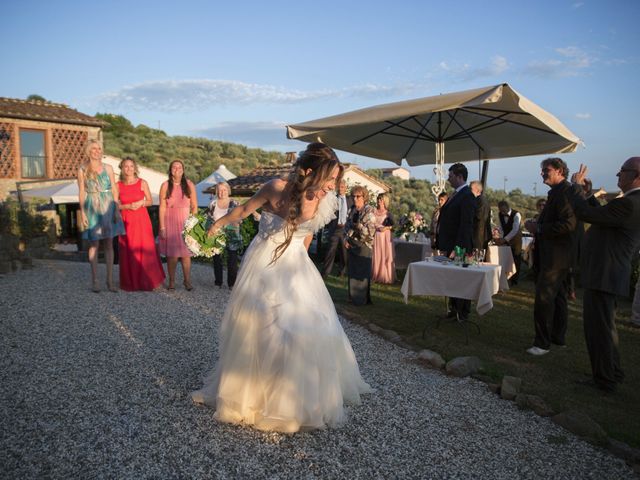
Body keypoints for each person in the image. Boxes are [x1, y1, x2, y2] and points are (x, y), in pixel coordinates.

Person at [191, 142, 372, 432]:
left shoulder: (321, 200)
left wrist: (302, 262)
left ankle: (292, 398)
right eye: (328, 179)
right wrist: (217, 224)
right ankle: (249, 392)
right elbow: (246, 209)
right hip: (262, 260)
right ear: (309, 171)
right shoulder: (274, 187)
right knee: (257, 324)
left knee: (297, 327)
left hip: (294, 266)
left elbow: (306, 236)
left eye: (334, 180)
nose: (331, 186)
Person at [572, 158, 640, 391]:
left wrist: (576, 188)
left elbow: (587, 215)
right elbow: (603, 214)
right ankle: (613, 371)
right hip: (610, 273)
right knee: (606, 327)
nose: (617, 175)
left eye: (622, 171)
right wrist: (590, 195)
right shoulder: (631, 202)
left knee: (598, 329)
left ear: (636, 175)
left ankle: (604, 379)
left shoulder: (630, 203)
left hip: (605, 272)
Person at [524, 158, 577, 356]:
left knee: (545, 299)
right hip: (558, 256)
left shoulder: (564, 193)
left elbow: (567, 225)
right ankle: (557, 337)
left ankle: (542, 343)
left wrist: (537, 227)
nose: (542, 174)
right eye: (542, 170)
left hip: (555, 257)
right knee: (559, 298)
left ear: (559, 171)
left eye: (546, 170)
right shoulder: (559, 192)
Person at [77, 140, 125, 293]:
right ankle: (95, 281)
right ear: (89, 151)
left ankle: (110, 281)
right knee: (94, 245)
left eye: (99, 148)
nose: (97, 151)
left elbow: (115, 189)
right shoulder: (82, 169)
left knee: (110, 244)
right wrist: (83, 212)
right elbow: (81, 192)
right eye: (94, 149)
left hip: (108, 205)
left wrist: (117, 209)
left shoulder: (108, 168)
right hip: (92, 207)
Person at [117, 157, 165, 291]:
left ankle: (150, 281)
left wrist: (141, 203)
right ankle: (131, 282)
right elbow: (115, 206)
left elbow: (150, 201)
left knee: (145, 249)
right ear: (122, 168)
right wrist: (127, 206)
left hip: (142, 220)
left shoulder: (142, 183)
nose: (129, 169)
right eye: (126, 166)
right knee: (129, 250)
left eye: (131, 166)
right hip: (126, 220)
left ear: (135, 168)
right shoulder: (117, 185)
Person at [436, 163, 476, 321]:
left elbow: (466, 225)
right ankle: (454, 309)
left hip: (460, 247)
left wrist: (457, 248)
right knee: (452, 278)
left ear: (460, 177)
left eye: (451, 176)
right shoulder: (456, 194)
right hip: (451, 244)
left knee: (461, 279)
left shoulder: (467, 195)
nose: (448, 179)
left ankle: (462, 312)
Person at [159, 160, 198, 291]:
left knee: (186, 254)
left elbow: (194, 206)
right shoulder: (165, 185)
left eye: (179, 167)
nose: (177, 169)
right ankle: (172, 281)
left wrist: (193, 224)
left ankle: (187, 281)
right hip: (170, 221)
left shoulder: (189, 184)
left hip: (185, 222)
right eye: (174, 167)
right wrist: (162, 227)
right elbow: (162, 207)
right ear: (170, 170)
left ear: (183, 169)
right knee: (172, 255)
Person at [345, 185, 377, 305]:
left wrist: (357, 226)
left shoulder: (370, 211)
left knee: (362, 274)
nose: (355, 199)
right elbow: (347, 226)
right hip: (352, 244)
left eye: (358, 196)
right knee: (352, 272)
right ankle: (352, 298)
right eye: (353, 196)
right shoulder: (352, 210)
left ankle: (361, 300)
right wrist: (346, 239)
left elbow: (370, 233)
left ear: (364, 197)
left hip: (364, 245)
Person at [208, 182, 241, 289]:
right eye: (219, 190)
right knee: (216, 258)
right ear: (216, 191)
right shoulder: (213, 204)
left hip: (232, 235)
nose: (221, 192)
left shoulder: (235, 203)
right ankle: (218, 282)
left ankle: (231, 284)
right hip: (217, 234)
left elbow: (241, 217)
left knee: (232, 259)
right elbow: (209, 219)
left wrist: (238, 221)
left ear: (228, 191)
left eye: (224, 190)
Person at [321, 179, 349, 277]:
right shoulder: (333, 199)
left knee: (344, 252)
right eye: (339, 187)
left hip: (345, 229)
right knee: (330, 251)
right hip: (335, 228)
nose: (340, 189)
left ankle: (342, 272)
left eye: (342, 187)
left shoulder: (349, 200)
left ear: (346, 188)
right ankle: (325, 273)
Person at [496, 200, 523, 285]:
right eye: (501, 210)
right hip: (506, 239)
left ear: (508, 207)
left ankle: (515, 280)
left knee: (516, 259)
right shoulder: (500, 214)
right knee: (506, 258)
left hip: (516, 239)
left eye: (504, 210)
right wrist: (501, 238)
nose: (502, 212)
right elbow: (501, 227)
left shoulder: (516, 214)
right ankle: (505, 278)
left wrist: (505, 239)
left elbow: (515, 229)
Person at [371, 193, 396, 284]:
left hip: (385, 236)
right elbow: (371, 223)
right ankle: (376, 274)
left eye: (381, 199)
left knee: (386, 255)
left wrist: (386, 228)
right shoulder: (373, 211)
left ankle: (386, 276)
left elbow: (393, 226)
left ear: (385, 201)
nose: (379, 201)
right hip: (376, 235)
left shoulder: (388, 213)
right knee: (376, 254)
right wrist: (377, 227)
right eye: (378, 199)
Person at [470, 180, 491, 250]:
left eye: (471, 189)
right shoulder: (479, 200)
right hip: (478, 235)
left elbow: (479, 216)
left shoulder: (481, 201)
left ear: (477, 189)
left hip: (479, 236)